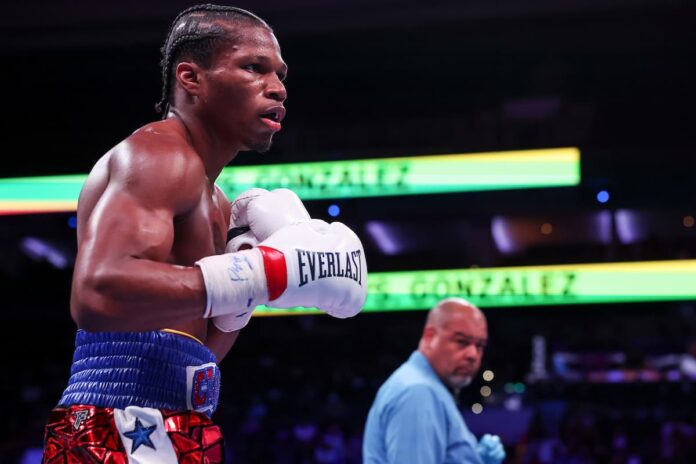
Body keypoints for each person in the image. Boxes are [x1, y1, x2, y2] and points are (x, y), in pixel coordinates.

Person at [42, 4, 367, 461]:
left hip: (183, 418)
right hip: (117, 416)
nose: (277, 88)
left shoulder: (216, 200)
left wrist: (242, 298)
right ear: (191, 79)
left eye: (280, 73)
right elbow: (97, 294)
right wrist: (264, 273)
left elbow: (199, 350)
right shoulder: (157, 156)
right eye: (254, 68)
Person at [363, 297, 505, 464]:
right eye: (461, 341)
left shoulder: (423, 386)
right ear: (430, 337)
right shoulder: (418, 393)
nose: (473, 355)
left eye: (479, 346)